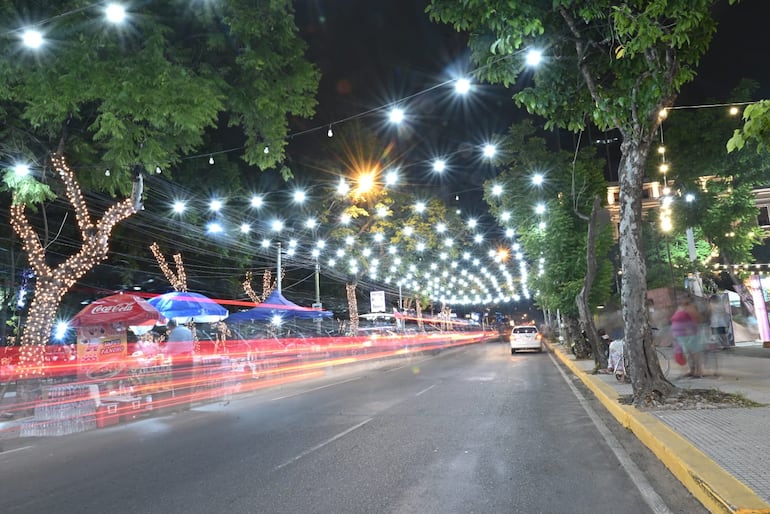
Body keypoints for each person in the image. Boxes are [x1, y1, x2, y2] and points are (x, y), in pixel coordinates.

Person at [670, 296, 704, 378]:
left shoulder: (691, 308)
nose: (680, 300)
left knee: (694, 353)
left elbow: (697, 319)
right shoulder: (679, 308)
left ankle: (698, 371)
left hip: (690, 334)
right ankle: (691, 370)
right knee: (687, 353)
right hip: (680, 335)